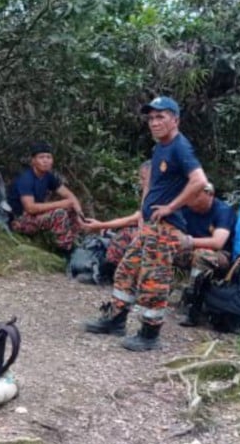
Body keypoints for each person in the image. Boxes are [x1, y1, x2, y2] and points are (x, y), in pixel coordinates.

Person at [84, 96, 209, 351]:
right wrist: (143, 211)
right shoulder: (160, 147)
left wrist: (171, 207)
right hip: (150, 225)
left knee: (154, 278)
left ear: (175, 119)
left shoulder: (179, 146)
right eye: (151, 118)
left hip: (166, 227)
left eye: (160, 116)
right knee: (126, 270)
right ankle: (115, 319)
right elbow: (153, 183)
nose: (154, 122)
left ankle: (150, 334)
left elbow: (199, 180)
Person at [7, 142, 84, 254]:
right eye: (41, 157)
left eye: (48, 157)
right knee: (59, 213)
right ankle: (64, 251)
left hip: (36, 216)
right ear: (33, 161)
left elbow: (70, 196)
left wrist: (80, 213)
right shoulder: (26, 179)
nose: (45, 160)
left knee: (72, 209)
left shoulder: (48, 176)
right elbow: (30, 208)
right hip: (20, 220)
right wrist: (61, 204)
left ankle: (74, 241)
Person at [177, 182, 236, 326]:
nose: (193, 200)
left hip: (219, 255)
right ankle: (151, 293)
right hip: (189, 249)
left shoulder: (223, 211)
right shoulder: (185, 208)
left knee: (202, 255)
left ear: (210, 195)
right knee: (161, 248)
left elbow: (218, 242)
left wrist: (188, 241)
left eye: (197, 196)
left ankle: (193, 306)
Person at [82, 161, 151, 278]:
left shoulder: (162, 195)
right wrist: (104, 225)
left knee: (127, 236)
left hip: (158, 237)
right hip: (144, 231)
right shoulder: (148, 193)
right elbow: (135, 218)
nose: (140, 182)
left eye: (143, 179)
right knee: (122, 235)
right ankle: (112, 272)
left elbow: (135, 219)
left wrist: (101, 225)